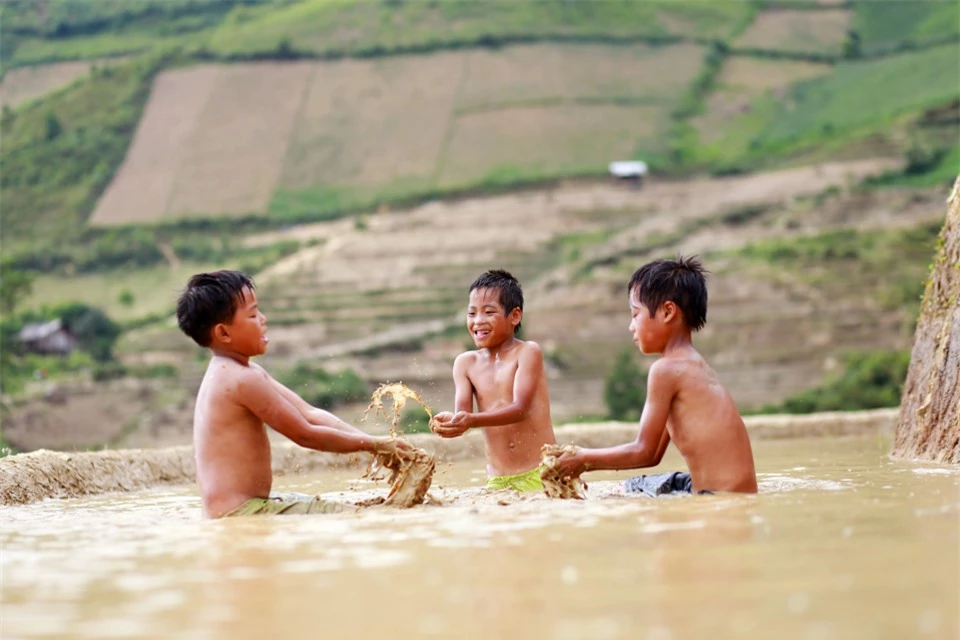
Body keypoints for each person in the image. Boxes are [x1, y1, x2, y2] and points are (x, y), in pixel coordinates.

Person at [176, 270, 411, 518]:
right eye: (253, 315)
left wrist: (377, 445)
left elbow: (309, 413)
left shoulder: (240, 372)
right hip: (241, 513)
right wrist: (375, 445)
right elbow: (305, 434)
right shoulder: (242, 379)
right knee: (357, 516)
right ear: (223, 333)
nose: (263, 319)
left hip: (244, 508)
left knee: (349, 509)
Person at [552, 257, 757, 495]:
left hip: (719, 499)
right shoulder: (694, 365)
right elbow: (652, 456)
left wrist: (583, 459)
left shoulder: (666, 370)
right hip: (727, 490)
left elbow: (644, 451)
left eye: (635, 314)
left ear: (668, 312)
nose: (631, 326)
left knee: (614, 499)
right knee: (625, 488)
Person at [432, 269, 557, 491]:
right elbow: (464, 416)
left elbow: (521, 409)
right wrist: (451, 422)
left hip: (542, 472)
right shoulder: (465, 363)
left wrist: (470, 420)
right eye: (472, 314)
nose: (478, 321)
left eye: (489, 312)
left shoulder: (528, 352)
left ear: (515, 316)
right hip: (498, 480)